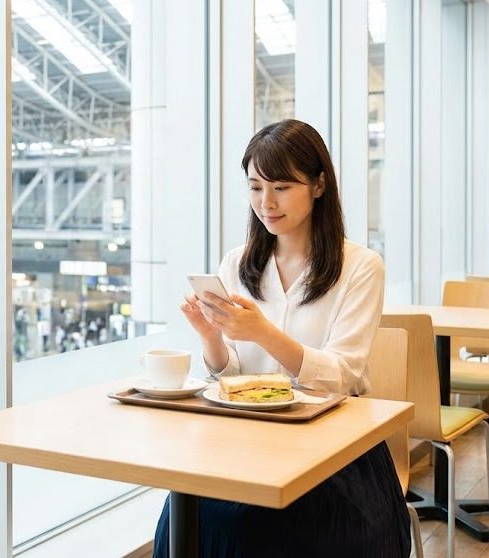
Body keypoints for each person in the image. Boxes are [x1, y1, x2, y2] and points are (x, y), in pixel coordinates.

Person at [152, 119, 408, 558]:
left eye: (282, 187)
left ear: (319, 185)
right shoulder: (237, 264)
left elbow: (341, 378)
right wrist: (212, 339)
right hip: (247, 441)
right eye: (255, 188)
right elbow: (233, 377)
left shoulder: (361, 267)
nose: (266, 203)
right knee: (184, 515)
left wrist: (263, 333)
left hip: (334, 449)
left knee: (257, 528)